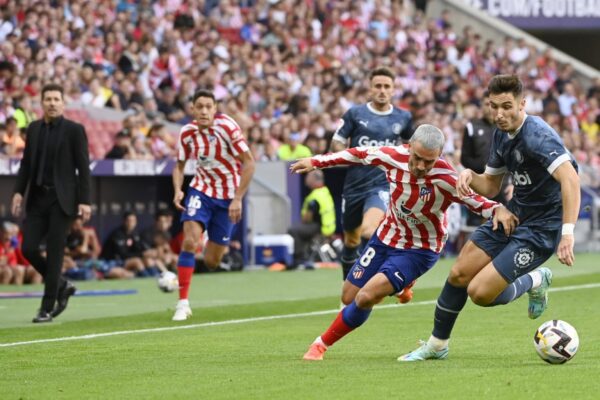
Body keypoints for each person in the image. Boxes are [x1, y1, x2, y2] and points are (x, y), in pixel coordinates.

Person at [290, 124, 516, 361]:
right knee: (349, 296)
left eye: (428, 162)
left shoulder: (446, 178)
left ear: (439, 156)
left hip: (419, 249)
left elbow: (477, 201)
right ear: (409, 148)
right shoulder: (392, 156)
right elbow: (357, 154)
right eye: (417, 158)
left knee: (366, 296)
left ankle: (320, 345)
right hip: (385, 237)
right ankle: (403, 284)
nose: (420, 166)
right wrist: (316, 162)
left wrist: (498, 209)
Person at [399, 74, 581, 362]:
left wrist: (567, 232)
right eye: (494, 106)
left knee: (480, 293)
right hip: (513, 215)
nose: (499, 114)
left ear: (523, 104)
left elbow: (570, 179)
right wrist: (470, 176)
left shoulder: (537, 135)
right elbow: (491, 186)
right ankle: (437, 345)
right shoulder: (501, 134)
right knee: (459, 272)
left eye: (507, 106)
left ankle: (534, 280)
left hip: (541, 230)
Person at [330, 67, 414, 303]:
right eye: (378, 86)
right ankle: (349, 291)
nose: (382, 91)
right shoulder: (355, 114)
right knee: (351, 240)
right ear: (370, 88)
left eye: (387, 86)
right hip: (353, 186)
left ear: (393, 89)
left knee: (369, 230)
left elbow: (412, 146)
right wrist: (347, 154)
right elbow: (337, 141)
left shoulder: (403, 117)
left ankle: (389, 279)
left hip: (382, 185)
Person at [11, 83, 92, 323]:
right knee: (28, 248)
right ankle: (62, 285)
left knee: (55, 253)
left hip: (62, 199)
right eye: (48, 99)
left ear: (63, 103)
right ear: (42, 103)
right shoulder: (34, 129)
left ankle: (46, 308)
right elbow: (25, 165)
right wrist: (18, 192)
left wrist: (85, 200)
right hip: (37, 198)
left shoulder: (74, 130)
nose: (53, 103)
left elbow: (83, 168)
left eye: (57, 99)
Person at [172, 89, 255, 321]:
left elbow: (249, 164)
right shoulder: (187, 133)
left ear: (215, 109)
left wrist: (238, 198)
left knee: (212, 261)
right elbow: (179, 166)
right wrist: (178, 189)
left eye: (209, 106)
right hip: (201, 190)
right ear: (192, 109)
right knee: (189, 241)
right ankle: (183, 302)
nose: (204, 111)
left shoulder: (227, 127)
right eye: (200, 106)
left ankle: (206, 242)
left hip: (228, 196)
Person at [287, 169, 336, 268]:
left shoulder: (314, 197)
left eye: (308, 177)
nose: (306, 179)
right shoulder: (325, 192)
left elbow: (307, 219)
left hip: (318, 228)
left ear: (314, 179)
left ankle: (299, 259)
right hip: (328, 228)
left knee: (294, 230)